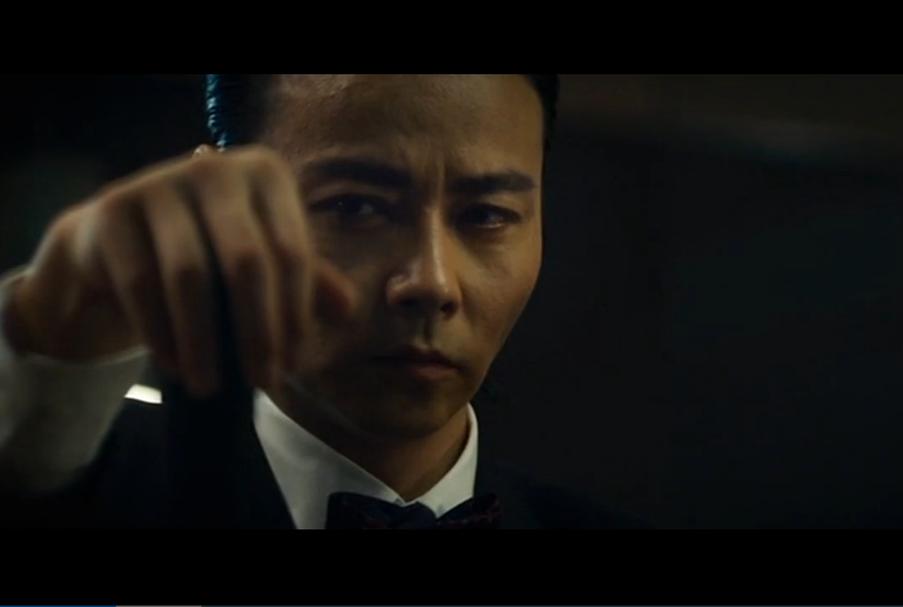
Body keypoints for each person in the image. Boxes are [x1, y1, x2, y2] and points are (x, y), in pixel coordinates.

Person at [0, 74, 645, 528]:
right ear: (215, 194)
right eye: (355, 207)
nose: (432, 282)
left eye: (486, 215)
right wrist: (44, 326)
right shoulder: (75, 486)